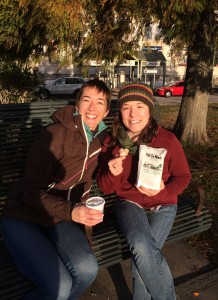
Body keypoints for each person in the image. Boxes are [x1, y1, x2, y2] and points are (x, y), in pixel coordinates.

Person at [2, 79, 111, 300]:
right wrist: (71, 211)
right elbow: (29, 191)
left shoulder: (98, 141)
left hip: (59, 218)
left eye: (99, 102)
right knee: (59, 287)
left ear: (106, 111)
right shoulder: (54, 135)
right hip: (24, 216)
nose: (92, 108)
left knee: (88, 270)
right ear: (77, 104)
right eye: (86, 100)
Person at [97, 83, 191, 300]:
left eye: (140, 106)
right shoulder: (112, 143)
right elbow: (105, 187)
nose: (133, 114)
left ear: (150, 109)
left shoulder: (166, 140)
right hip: (129, 202)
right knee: (141, 246)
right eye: (126, 107)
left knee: (142, 263)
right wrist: (112, 171)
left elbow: (183, 177)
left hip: (164, 204)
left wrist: (163, 192)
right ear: (119, 111)